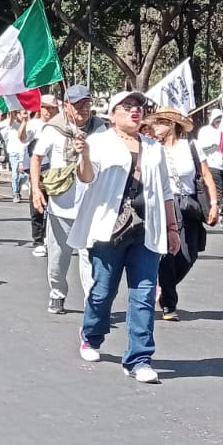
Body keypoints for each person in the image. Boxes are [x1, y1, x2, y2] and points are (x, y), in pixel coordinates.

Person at [68, 90, 179, 383]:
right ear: (113, 113)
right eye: (127, 106)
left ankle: (139, 358)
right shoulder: (99, 142)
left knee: (143, 295)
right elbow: (87, 177)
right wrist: (85, 156)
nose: (134, 110)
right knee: (103, 291)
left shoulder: (154, 148)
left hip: (147, 229)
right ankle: (91, 335)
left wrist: (172, 228)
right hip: (110, 230)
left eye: (138, 106)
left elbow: (166, 192)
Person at [145, 107, 217, 320]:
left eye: (159, 122)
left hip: (189, 205)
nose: (155, 126)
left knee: (189, 254)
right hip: (164, 204)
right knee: (168, 253)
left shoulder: (192, 147)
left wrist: (214, 203)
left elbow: (206, 175)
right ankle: (169, 304)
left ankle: (162, 287)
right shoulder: (152, 148)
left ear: (171, 125)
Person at [31, 93, 100, 315]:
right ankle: (57, 293)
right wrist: (35, 189)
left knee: (90, 257)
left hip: (92, 205)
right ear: (66, 105)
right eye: (77, 104)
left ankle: (93, 302)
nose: (83, 108)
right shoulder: (54, 128)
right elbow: (36, 158)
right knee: (58, 257)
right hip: (62, 204)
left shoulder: (101, 129)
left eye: (86, 103)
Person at [23, 96, 57, 257]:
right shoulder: (34, 124)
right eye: (46, 107)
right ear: (40, 108)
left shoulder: (60, 126)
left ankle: (50, 239)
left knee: (54, 207)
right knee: (37, 205)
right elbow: (22, 138)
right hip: (39, 169)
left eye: (52, 108)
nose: (49, 111)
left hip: (56, 170)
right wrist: (23, 122)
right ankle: (38, 240)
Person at [196, 108, 223, 226]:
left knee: (218, 189)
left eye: (221, 120)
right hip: (212, 164)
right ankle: (222, 216)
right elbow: (202, 148)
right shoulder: (205, 131)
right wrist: (218, 142)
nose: (219, 123)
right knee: (219, 190)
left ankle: (210, 211)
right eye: (217, 120)